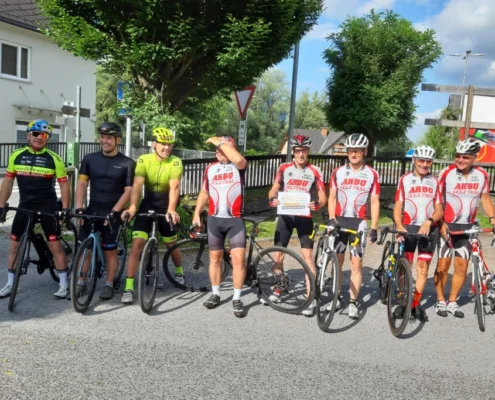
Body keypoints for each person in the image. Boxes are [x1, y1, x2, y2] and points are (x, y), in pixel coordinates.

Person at [0, 119, 71, 299]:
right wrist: (1, 205)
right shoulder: (16, 155)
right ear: (29, 135)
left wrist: (65, 209)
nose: (40, 138)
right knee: (14, 245)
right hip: (25, 204)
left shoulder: (54, 159)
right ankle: (9, 283)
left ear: (47, 139)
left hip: (46, 205)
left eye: (44, 135)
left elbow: (64, 186)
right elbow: (8, 182)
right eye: (36, 134)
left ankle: (63, 284)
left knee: (55, 244)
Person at [121, 127, 183, 304]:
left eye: (169, 144)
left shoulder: (175, 161)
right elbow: (137, 184)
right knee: (136, 245)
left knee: (171, 243)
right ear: (154, 144)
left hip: (166, 207)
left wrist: (171, 209)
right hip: (147, 206)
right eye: (163, 143)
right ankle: (129, 287)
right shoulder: (144, 160)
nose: (167, 147)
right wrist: (133, 207)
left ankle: (179, 271)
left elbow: (174, 187)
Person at [434, 138, 495, 318]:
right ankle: (440, 301)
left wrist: (493, 219)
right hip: (447, 226)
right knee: (443, 266)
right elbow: (437, 200)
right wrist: (442, 222)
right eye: (458, 156)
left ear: (474, 158)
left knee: (461, 267)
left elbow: (485, 198)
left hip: (467, 227)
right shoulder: (447, 173)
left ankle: (452, 301)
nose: (460, 160)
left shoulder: (482, 175)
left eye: (465, 157)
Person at [74, 122, 135, 300]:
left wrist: (115, 211)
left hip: (112, 211)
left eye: (109, 138)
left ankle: (109, 284)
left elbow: (129, 191)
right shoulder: (90, 159)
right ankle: (80, 281)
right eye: (102, 137)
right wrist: (79, 208)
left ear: (118, 140)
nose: (104, 141)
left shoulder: (127, 163)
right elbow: (82, 184)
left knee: (110, 250)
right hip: (92, 209)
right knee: (86, 249)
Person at [268, 135, 327, 317]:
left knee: (307, 257)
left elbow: (323, 196)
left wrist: (317, 204)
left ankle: (311, 296)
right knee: (278, 254)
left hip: (304, 217)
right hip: (285, 215)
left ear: (308, 152)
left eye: (304, 150)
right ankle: (280, 286)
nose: (301, 154)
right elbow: (273, 189)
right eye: (298, 151)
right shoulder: (284, 168)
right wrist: (272, 199)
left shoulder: (315, 170)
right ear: (293, 152)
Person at [193, 136, 247, 318]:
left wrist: (220, 142)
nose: (219, 151)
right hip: (215, 220)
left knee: (238, 260)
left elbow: (239, 159)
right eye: (216, 149)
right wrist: (196, 214)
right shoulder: (210, 168)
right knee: (215, 259)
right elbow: (204, 192)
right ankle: (215, 293)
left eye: (222, 148)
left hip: (235, 220)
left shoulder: (238, 166)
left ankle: (237, 298)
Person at [327, 133, 380, 319]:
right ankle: (337, 297)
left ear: (364, 152)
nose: (354, 153)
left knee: (356, 263)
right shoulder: (337, 172)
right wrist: (332, 218)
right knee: (337, 262)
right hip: (340, 221)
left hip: (359, 223)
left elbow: (374, 201)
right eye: (351, 150)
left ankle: (353, 302)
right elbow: (332, 197)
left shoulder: (372, 174)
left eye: (357, 150)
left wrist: (374, 228)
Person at [392, 145, 443, 322]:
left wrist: (429, 221)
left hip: (428, 230)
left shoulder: (435, 182)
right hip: (408, 228)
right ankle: (402, 303)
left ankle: (414, 305)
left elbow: (439, 210)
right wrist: (399, 224)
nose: (424, 164)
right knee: (403, 268)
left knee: (423, 269)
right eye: (421, 160)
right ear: (414, 160)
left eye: (428, 161)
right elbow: (398, 205)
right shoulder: (404, 179)